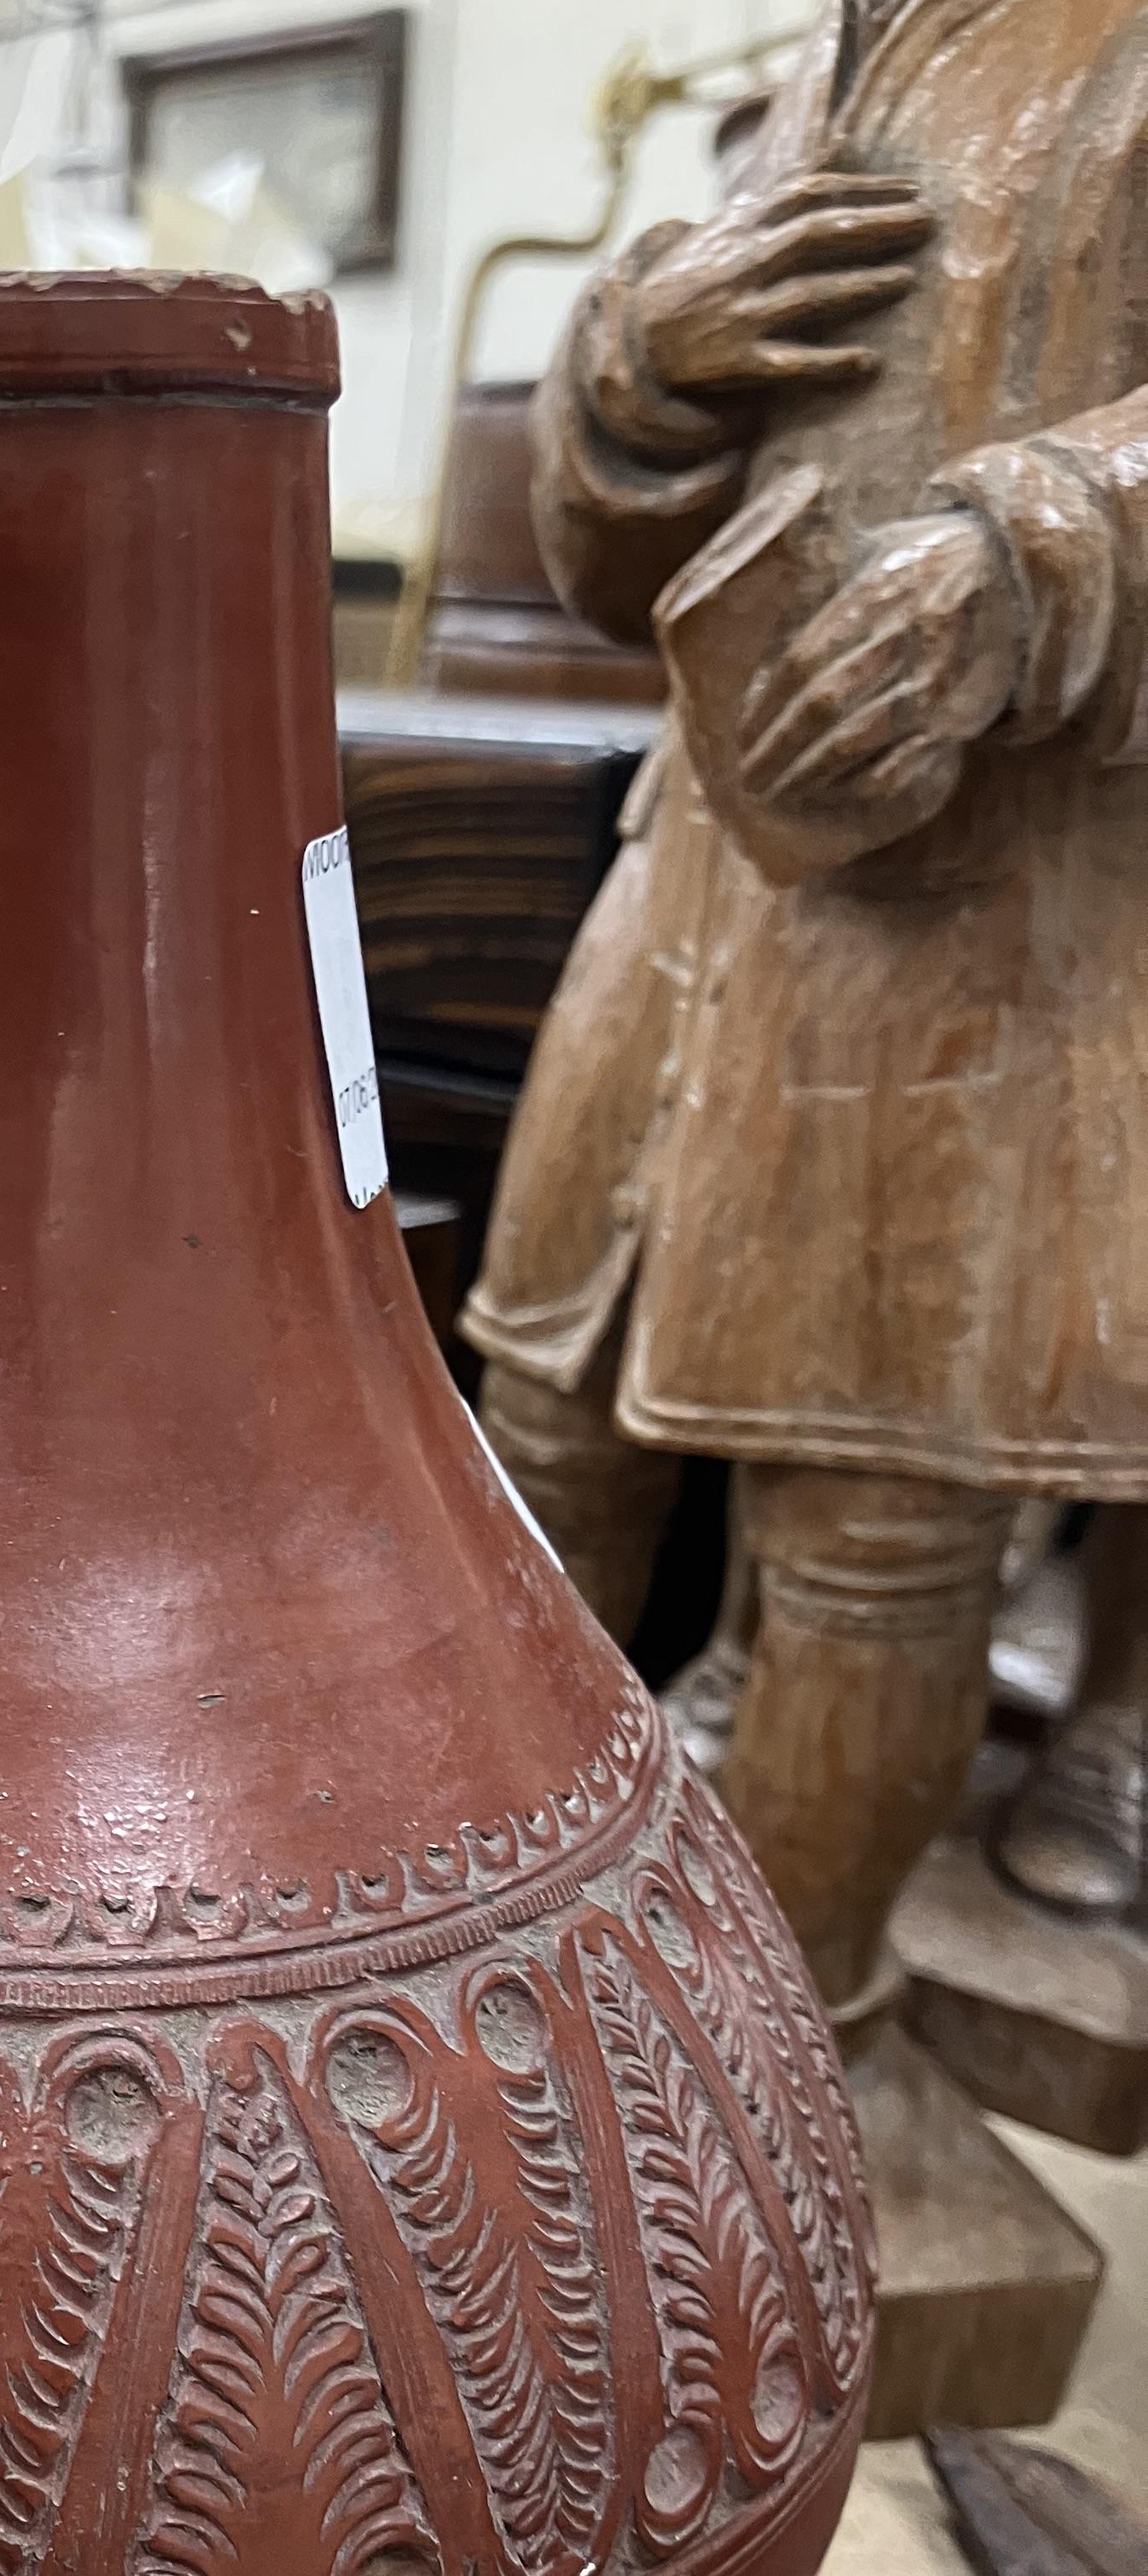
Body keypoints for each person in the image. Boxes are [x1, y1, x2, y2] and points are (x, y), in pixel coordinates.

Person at [463, 0, 1148, 2020]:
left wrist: (1037, 556)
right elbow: (613, 563)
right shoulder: (812, 80)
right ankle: (476, 1978)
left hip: (986, 928)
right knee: (543, 1437)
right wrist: (634, 381)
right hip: (694, 880)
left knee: (874, 1517)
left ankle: (764, 2093)